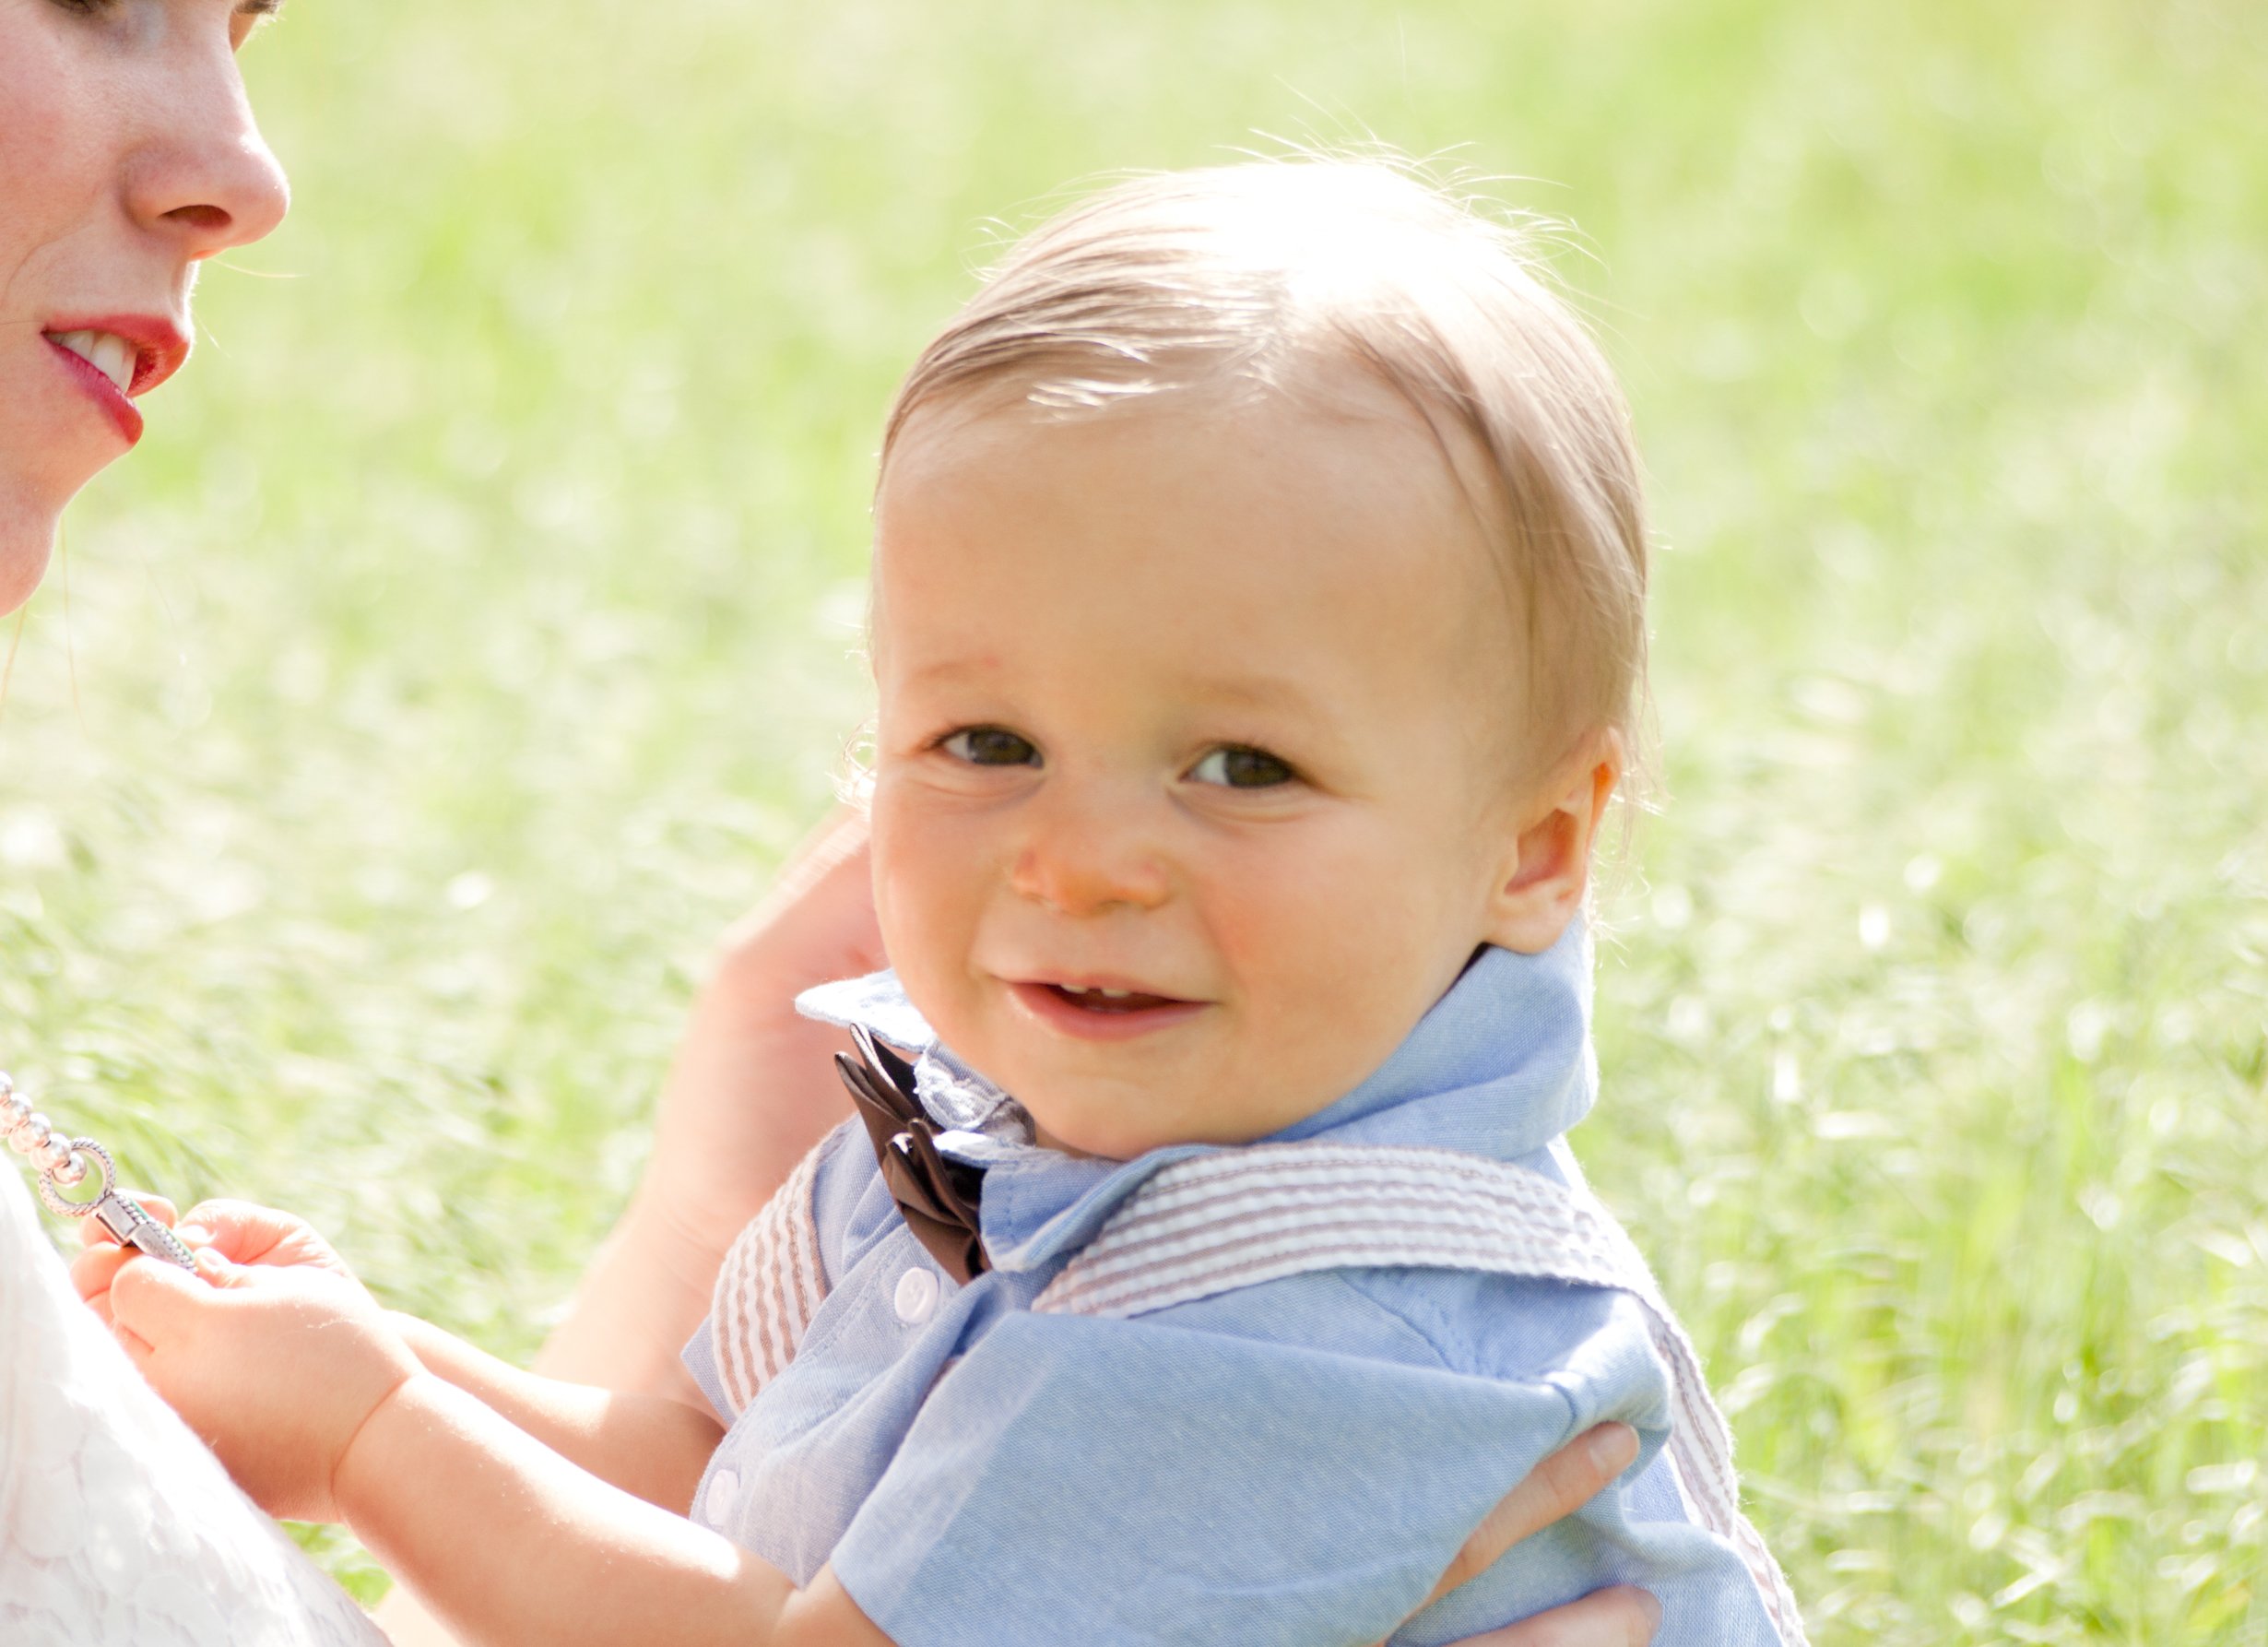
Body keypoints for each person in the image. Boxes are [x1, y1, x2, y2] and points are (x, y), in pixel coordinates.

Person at [2, 3, 1657, 1643]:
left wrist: (374, 1428)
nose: (1079, 859)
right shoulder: (1033, 1135)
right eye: (989, 741)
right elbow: (711, 1494)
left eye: (1241, 767)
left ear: (1536, 845)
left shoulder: (1314, 1329)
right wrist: (376, 1364)